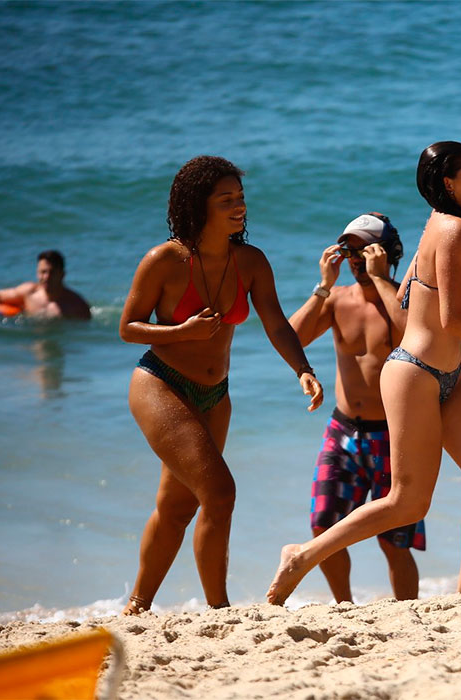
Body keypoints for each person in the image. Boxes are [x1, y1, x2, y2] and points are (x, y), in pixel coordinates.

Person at [267, 141, 461, 605]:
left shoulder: (438, 223)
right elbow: (450, 317)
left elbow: (408, 298)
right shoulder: (453, 228)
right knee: (407, 502)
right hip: (415, 374)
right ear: (447, 183)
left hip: (447, 375)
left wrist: (457, 353)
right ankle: (302, 555)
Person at [119, 155, 323, 614]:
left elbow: (276, 323)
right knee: (220, 493)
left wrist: (303, 369)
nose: (239, 207)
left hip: (215, 395)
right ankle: (220, 610)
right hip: (160, 383)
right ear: (198, 206)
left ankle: (137, 606)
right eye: (226, 200)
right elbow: (128, 327)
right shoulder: (165, 260)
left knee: (177, 506)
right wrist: (179, 332)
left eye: (241, 198)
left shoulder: (249, 261)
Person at [288, 212, 427, 602]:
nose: (356, 259)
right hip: (343, 429)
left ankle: (406, 613)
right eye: (349, 249)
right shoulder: (336, 300)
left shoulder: (403, 299)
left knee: (395, 541)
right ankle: (345, 607)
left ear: (386, 253)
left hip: (393, 434)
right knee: (322, 525)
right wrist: (322, 286)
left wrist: (381, 278)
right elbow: (290, 338)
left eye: (365, 249)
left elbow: (414, 332)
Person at [0, 250, 91, 320]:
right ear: (37, 273)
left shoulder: (77, 306)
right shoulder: (29, 293)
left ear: (62, 274)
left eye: (52, 273)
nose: (46, 277)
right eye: (42, 272)